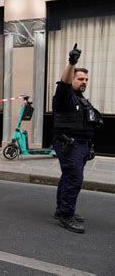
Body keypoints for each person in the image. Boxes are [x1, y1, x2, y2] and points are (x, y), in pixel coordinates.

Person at [52, 44, 103, 234]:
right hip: (68, 143)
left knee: (68, 177)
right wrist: (72, 63)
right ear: (72, 78)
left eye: (86, 79)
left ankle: (61, 209)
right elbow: (63, 83)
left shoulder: (81, 99)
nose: (84, 82)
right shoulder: (65, 97)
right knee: (74, 179)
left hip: (80, 145)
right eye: (80, 78)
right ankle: (67, 215)